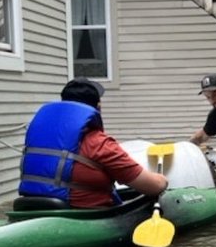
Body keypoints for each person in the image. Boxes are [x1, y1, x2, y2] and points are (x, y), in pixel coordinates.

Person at [18, 78, 168, 208]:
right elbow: (153, 187)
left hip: (34, 206)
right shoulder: (99, 144)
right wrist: (163, 181)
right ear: (98, 107)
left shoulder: (40, 140)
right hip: (82, 215)